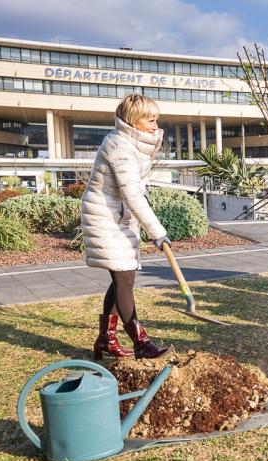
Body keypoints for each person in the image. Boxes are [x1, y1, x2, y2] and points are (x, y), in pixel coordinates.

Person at [81, 93, 171, 360]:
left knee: (122, 277)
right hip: (105, 218)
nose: (155, 126)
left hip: (117, 218)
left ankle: (106, 340)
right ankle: (141, 342)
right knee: (124, 277)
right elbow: (131, 195)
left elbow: (135, 190)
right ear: (133, 120)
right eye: (150, 120)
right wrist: (158, 232)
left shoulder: (132, 143)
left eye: (156, 120)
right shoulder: (120, 146)